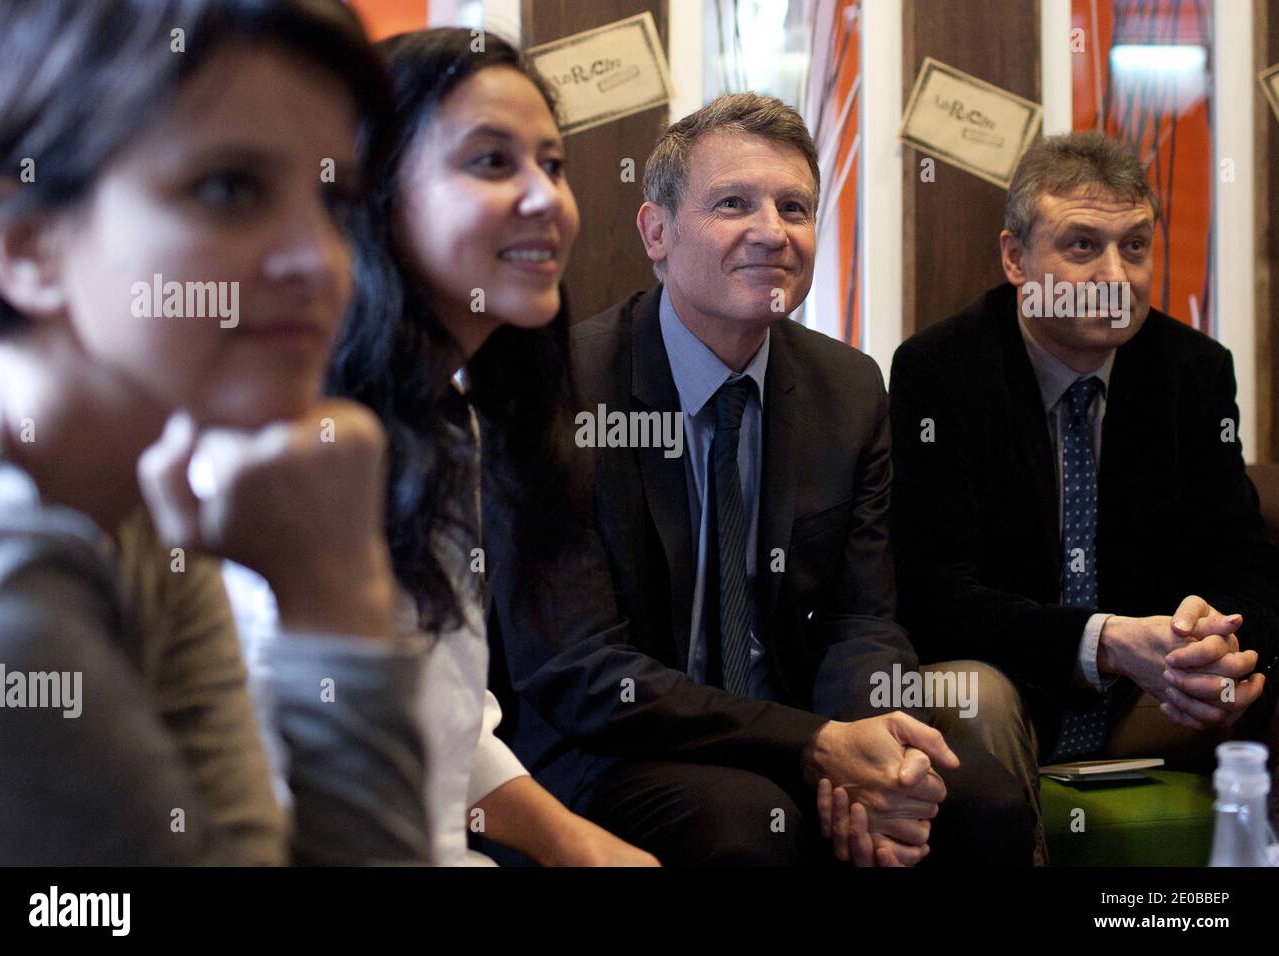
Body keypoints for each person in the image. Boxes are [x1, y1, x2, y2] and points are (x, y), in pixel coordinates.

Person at [485, 92, 1035, 866]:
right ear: (657, 232)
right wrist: (816, 746)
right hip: (610, 747)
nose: (771, 232)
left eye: (795, 207)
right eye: (733, 203)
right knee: (743, 826)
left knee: (977, 800)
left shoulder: (849, 390)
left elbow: (863, 623)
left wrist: (864, 752)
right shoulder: (563, 390)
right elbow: (582, 672)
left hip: (799, 728)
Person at [0, 0, 430, 865]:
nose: (321, 262)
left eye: (332, 200)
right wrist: (338, 604)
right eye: (229, 189)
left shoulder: (137, 507)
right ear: (28, 246)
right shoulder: (7, 611)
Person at [229, 27, 658, 866]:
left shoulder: (449, 419)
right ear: (376, 196)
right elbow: (273, 771)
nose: (545, 198)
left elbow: (446, 723)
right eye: (493, 163)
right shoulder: (295, 435)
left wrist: (585, 848)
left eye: (554, 164)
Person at [889, 131, 1279, 859]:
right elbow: (933, 595)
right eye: (1082, 247)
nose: (1116, 275)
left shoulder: (1191, 370)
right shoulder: (941, 371)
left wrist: (1224, 643)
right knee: (972, 696)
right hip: (1013, 694)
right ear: (1015, 258)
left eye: (1134, 247)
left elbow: (1247, 564)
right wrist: (1104, 643)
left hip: (1158, 702)